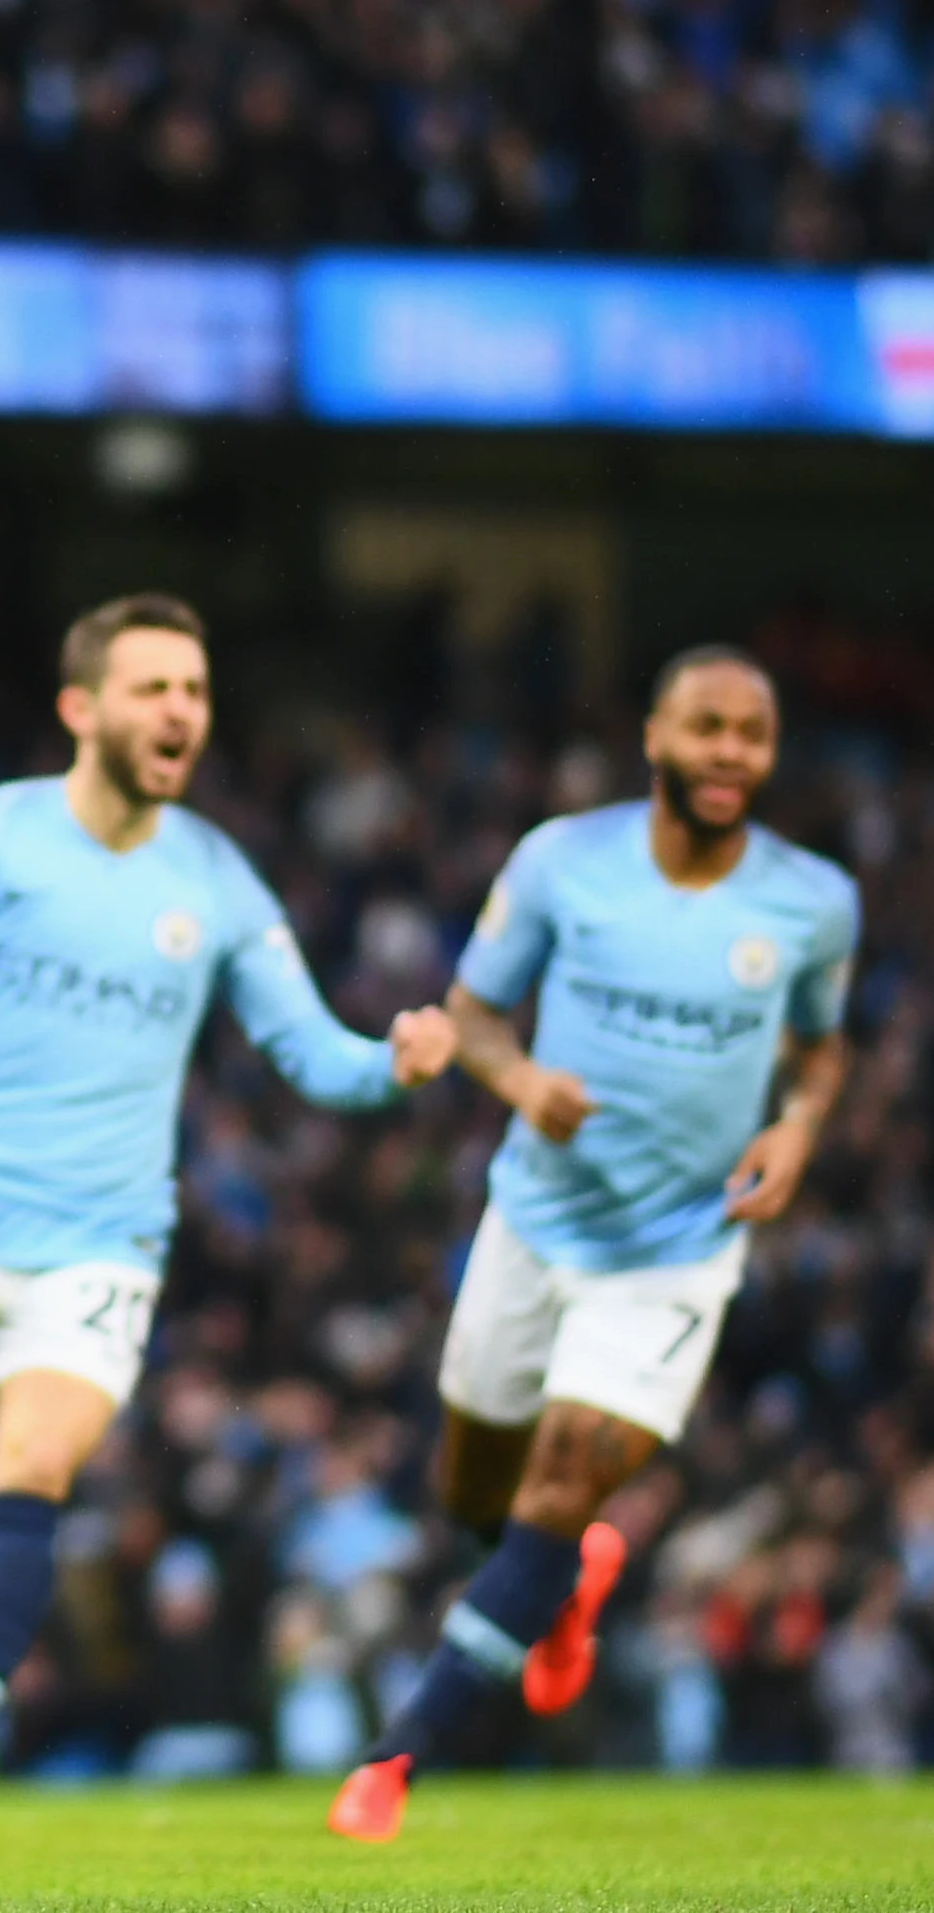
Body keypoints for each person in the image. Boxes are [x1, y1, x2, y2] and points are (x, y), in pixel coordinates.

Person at [0, 592, 455, 1825]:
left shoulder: (217, 880)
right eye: (154, 688)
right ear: (81, 706)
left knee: (32, 1462)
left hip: (101, 1241)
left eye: (195, 692)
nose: (181, 713)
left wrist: (391, 1061)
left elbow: (309, 1050)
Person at [329, 647, 855, 1841]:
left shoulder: (812, 898)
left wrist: (801, 1125)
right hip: (536, 1219)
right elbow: (468, 1012)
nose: (730, 752)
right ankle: (565, 1581)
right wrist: (519, 1078)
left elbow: (821, 1047)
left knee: (563, 1472)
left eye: (752, 733)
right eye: (706, 726)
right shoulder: (565, 860)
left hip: (680, 1241)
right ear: (656, 738)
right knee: (479, 1491)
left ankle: (391, 1760)